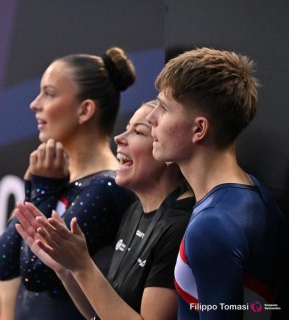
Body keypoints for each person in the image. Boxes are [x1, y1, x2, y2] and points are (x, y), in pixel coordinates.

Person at [0, 47, 137, 319]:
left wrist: (43, 189)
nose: (35, 104)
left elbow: (37, 273)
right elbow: (3, 262)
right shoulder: (59, 179)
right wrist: (38, 188)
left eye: (49, 93)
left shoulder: (107, 188)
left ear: (85, 110)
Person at [15, 100, 195, 320]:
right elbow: (99, 313)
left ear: (165, 147)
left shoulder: (180, 227)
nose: (119, 138)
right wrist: (66, 269)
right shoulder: (134, 211)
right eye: (127, 128)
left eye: (138, 132)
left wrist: (83, 266)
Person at [145, 47, 288, 319]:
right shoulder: (251, 193)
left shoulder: (212, 225)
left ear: (199, 129)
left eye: (163, 108)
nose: (151, 118)